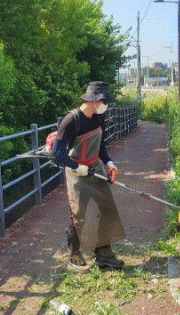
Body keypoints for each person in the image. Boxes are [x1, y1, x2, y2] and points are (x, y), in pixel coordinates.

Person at [51, 81, 125, 272]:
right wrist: (77, 167)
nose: (105, 105)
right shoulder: (71, 121)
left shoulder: (99, 117)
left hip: (96, 168)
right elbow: (58, 153)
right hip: (76, 172)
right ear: (96, 100)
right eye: (104, 102)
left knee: (108, 209)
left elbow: (100, 145)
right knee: (79, 215)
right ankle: (74, 254)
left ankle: (104, 254)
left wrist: (109, 163)